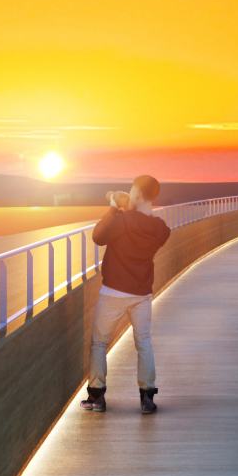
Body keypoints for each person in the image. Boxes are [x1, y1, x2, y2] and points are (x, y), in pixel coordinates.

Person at [80, 175, 170, 415]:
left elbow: (98, 237)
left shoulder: (121, 221)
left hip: (113, 292)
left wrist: (113, 208)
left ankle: (97, 396)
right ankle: (147, 397)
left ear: (138, 194)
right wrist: (130, 209)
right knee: (144, 343)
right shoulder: (160, 228)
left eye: (132, 191)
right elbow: (151, 227)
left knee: (99, 342)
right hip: (141, 293)